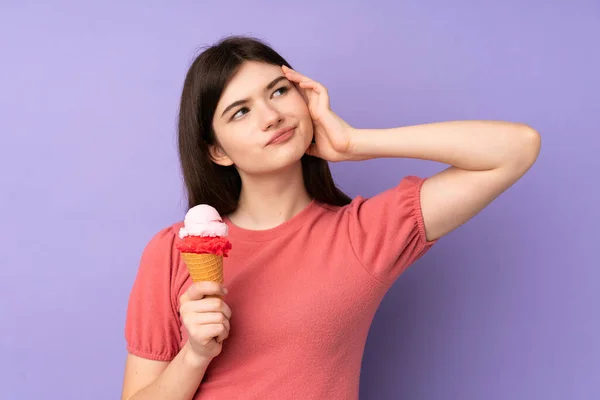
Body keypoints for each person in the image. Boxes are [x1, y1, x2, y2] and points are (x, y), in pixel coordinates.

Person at [120, 35, 541, 400]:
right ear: (218, 151)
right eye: (241, 111)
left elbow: (517, 147)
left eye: (279, 91)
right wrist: (195, 354)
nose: (272, 116)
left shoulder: (365, 234)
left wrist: (356, 142)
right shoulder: (172, 252)